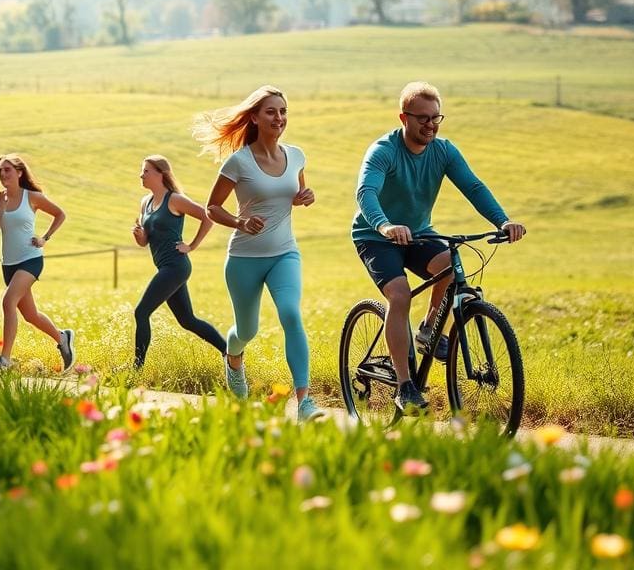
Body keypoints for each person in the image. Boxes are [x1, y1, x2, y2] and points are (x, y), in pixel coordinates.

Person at [352, 81, 526, 415]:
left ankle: (430, 329)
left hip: (418, 233)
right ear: (403, 117)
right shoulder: (383, 151)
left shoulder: (444, 150)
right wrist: (386, 225)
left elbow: (473, 186)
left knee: (453, 264)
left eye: (436, 118)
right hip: (375, 236)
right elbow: (366, 193)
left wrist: (502, 221)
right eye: (422, 118)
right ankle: (405, 387)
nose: (430, 124)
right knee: (400, 296)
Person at [194, 85, 323, 423]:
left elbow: (294, 192)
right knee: (246, 331)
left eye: (282, 111)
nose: (278, 118)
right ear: (255, 117)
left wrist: (302, 197)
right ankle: (233, 358)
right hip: (244, 260)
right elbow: (212, 208)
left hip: (284, 253)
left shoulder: (296, 156)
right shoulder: (239, 162)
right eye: (271, 111)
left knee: (291, 315)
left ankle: (305, 403)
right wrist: (240, 221)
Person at [130, 155, 226, 370]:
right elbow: (145, 241)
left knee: (141, 312)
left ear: (160, 174)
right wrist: (139, 236)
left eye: (146, 171)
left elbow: (208, 216)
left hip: (176, 267)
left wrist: (192, 245)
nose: (141, 175)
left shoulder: (174, 200)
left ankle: (136, 369)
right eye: (142, 170)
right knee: (187, 320)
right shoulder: (145, 203)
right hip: (165, 267)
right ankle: (230, 353)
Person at [0, 154, 75, 372]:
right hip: (9, 264)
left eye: (8, 170)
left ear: (19, 172)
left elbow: (60, 214)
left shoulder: (31, 196)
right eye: (0, 171)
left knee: (8, 302)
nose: (3, 174)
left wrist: (45, 238)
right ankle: (62, 338)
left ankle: (4, 361)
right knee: (30, 315)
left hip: (30, 259)